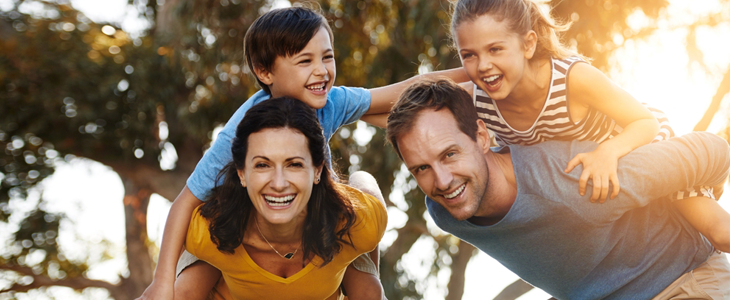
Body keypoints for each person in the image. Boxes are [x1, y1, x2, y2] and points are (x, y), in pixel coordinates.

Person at [137, 6, 468, 300]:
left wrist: (476, 78)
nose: (322, 70)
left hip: (322, 216)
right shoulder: (245, 129)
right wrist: (161, 281)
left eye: (327, 57)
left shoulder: (330, 100)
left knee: (365, 276)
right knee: (185, 286)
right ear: (265, 71)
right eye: (305, 60)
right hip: (236, 223)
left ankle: (359, 263)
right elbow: (185, 201)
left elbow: (408, 93)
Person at [385, 78, 730, 299]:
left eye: (450, 154)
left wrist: (699, 204)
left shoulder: (572, 180)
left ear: (482, 135)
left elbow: (711, 151)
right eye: (422, 169)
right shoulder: (446, 210)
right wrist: (348, 104)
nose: (442, 181)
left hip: (685, 282)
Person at [447, 0, 716, 207]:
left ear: (528, 44)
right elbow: (409, 91)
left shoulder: (572, 79)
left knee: (716, 231)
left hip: (640, 146)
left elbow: (646, 121)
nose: (482, 65)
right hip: (594, 185)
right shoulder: (477, 97)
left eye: (495, 49)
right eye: (468, 55)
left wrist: (608, 152)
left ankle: (710, 175)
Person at [185, 96, 387, 299]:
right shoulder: (206, 229)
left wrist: (369, 269)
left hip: (332, 237)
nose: (279, 184)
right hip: (226, 268)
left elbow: (367, 190)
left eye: (294, 164)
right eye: (262, 165)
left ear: (317, 170)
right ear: (241, 174)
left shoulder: (357, 221)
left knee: (370, 289)